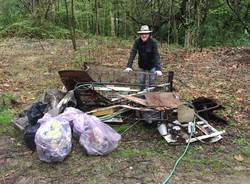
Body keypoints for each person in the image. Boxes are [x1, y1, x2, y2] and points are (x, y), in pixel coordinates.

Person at [124, 25, 162, 90]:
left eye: (146, 34)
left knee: (152, 82)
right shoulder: (137, 41)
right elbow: (133, 53)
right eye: (142, 34)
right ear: (140, 34)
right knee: (141, 81)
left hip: (152, 65)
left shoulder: (153, 42)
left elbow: (156, 55)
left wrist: (158, 69)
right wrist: (129, 66)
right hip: (142, 65)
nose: (144, 35)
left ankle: (151, 96)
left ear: (149, 34)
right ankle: (141, 95)